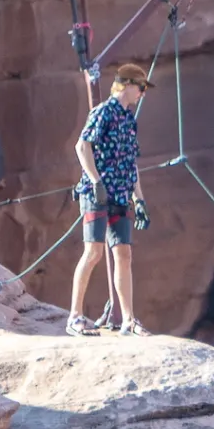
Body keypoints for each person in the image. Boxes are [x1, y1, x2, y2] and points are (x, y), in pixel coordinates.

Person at [68, 63, 152, 337]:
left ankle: (128, 319)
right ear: (127, 85)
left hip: (121, 196)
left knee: (124, 254)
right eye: (140, 88)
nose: (142, 94)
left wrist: (139, 199)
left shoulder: (129, 119)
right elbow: (82, 145)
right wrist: (95, 181)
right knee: (93, 252)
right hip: (98, 196)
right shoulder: (103, 112)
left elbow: (131, 162)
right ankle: (75, 316)